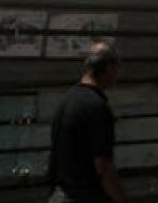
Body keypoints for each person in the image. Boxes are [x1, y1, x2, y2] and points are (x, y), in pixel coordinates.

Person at [48, 41, 130, 202]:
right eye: (116, 69)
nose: (117, 76)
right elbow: (104, 167)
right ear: (108, 68)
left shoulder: (67, 101)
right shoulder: (97, 107)